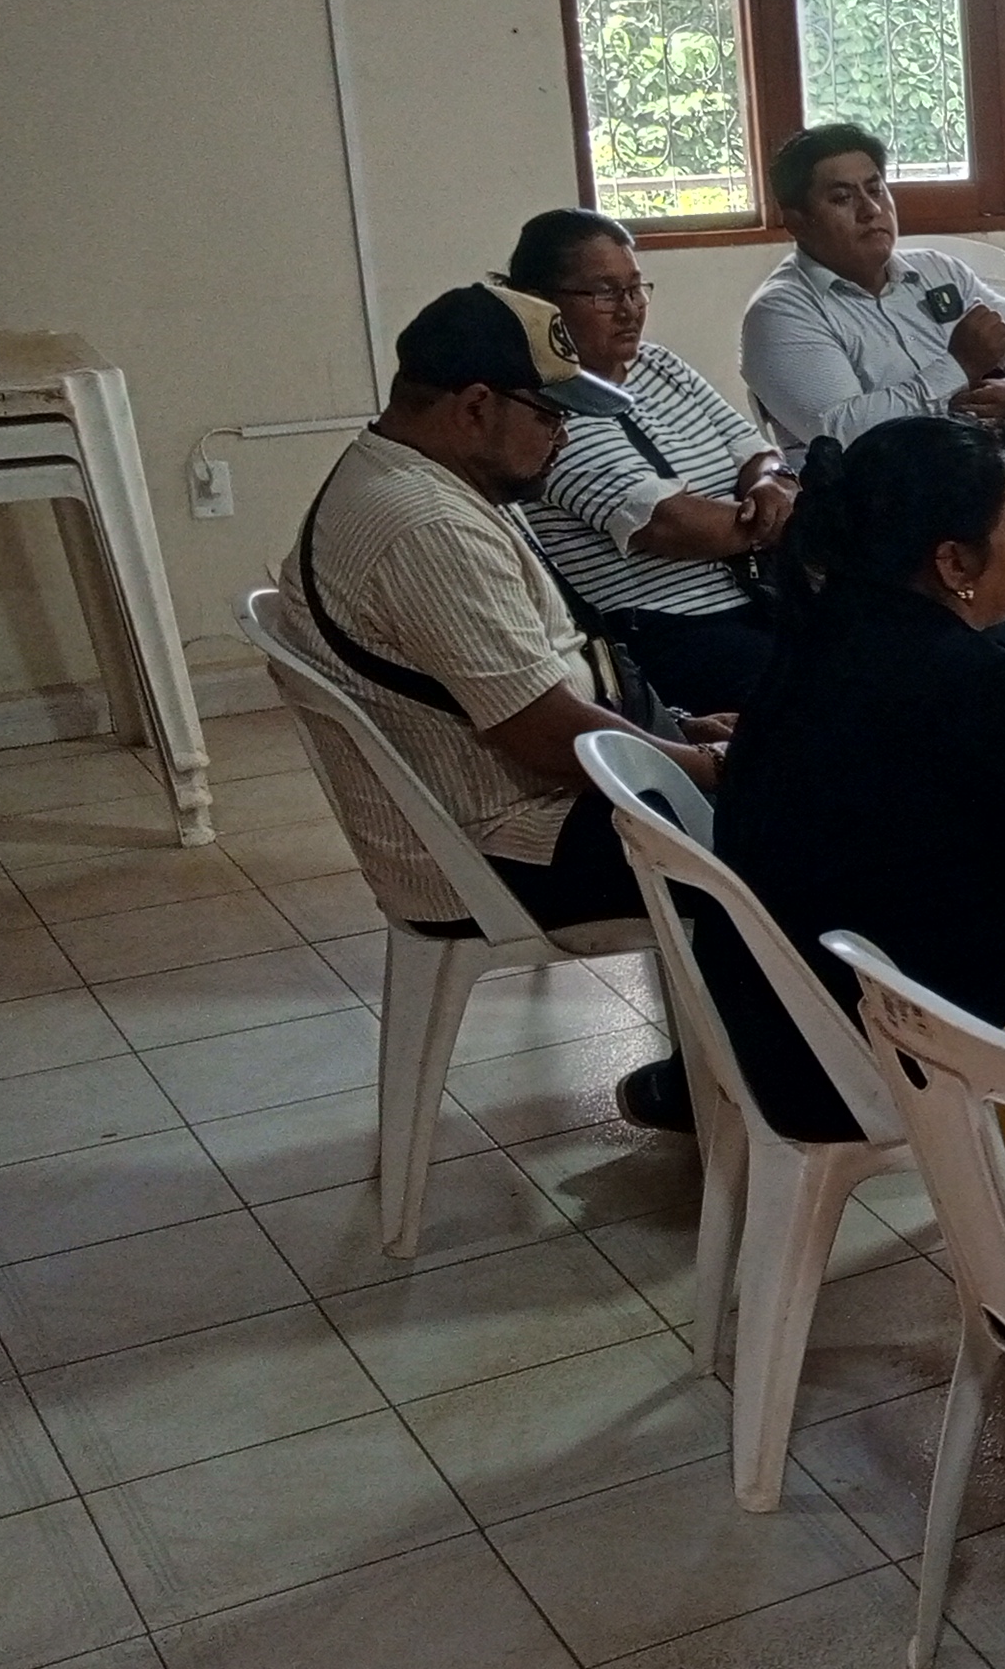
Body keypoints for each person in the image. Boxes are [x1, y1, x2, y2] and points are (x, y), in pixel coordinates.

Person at [272, 282, 723, 1129]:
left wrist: (682, 733)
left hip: (526, 801)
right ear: (475, 406)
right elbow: (548, 739)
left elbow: (541, 680)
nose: (562, 438)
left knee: (797, 792)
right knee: (809, 834)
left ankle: (717, 1074)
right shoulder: (423, 526)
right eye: (550, 417)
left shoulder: (412, 473)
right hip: (511, 841)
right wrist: (716, 769)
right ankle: (767, 1087)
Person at [693, 416, 1005, 1177]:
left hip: (779, 1022)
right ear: (954, 559)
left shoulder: (823, 637)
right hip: (891, 1038)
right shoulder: (962, 680)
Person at [738, 123, 1005, 692]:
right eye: (842, 198)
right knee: (997, 622)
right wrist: (957, 371)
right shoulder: (780, 314)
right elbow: (839, 432)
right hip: (896, 540)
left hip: (1000, 509)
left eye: (877, 189)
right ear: (797, 219)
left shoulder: (937, 272)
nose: (871, 210)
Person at [502, 208, 795, 714]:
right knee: (838, 702)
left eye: (636, 288)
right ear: (542, 303)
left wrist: (771, 483)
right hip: (665, 636)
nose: (629, 309)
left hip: (759, 599)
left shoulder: (658, 365)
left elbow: (756, 452)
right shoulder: (539, 409)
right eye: (604, 292)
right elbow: (671, 526)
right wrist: (783, 515)